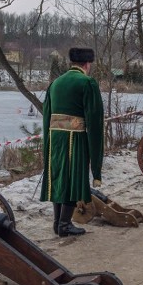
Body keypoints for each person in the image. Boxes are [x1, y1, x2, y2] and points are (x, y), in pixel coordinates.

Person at [40, 47, 104, 237]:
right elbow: (95, 119)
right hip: (75, 137)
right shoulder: (87, 82)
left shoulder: (55, 83)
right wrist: (96, 154)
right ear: (87, 64)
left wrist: (48, 142)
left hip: (54, 137)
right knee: (73, 178)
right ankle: (65, 224)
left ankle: (57, 222)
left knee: (59, 177)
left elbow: (46, 116)